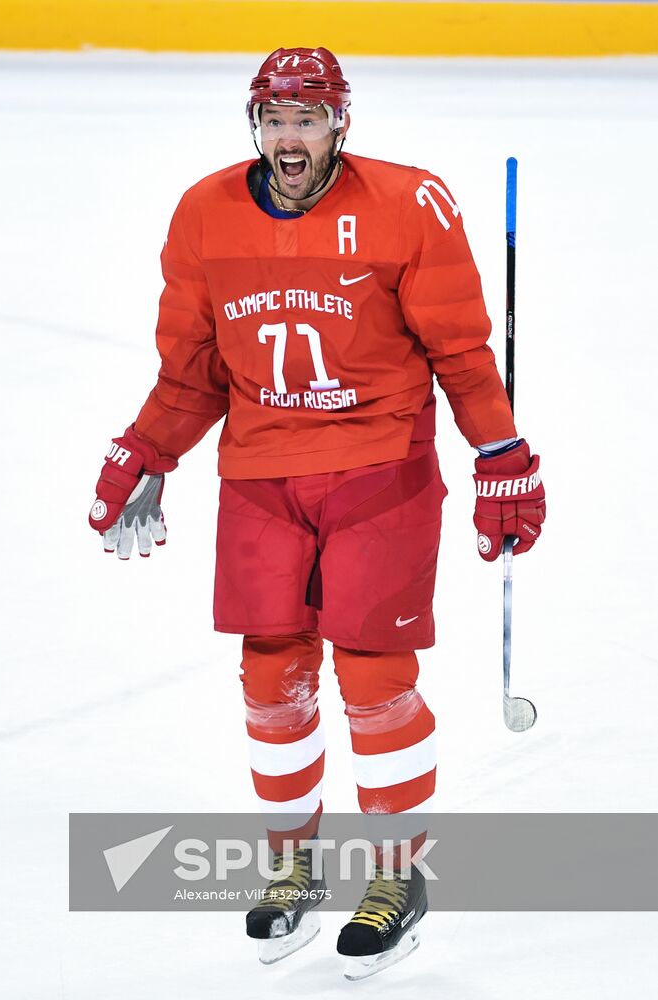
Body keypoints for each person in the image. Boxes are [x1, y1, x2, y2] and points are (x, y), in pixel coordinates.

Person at [88, 47, 546, 979]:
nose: (287, 138)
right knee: (270, 678)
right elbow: (193, 370)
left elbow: (458, 351)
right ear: (253, 126)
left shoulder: (407, 205)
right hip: (261, 472)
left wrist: (499, 455)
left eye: (306, 120)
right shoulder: (205, 212)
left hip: (380, 465)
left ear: (341, 124)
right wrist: (145, 450)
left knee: (374, 674)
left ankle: (394, 879)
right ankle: (291, 866)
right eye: (272, 120)